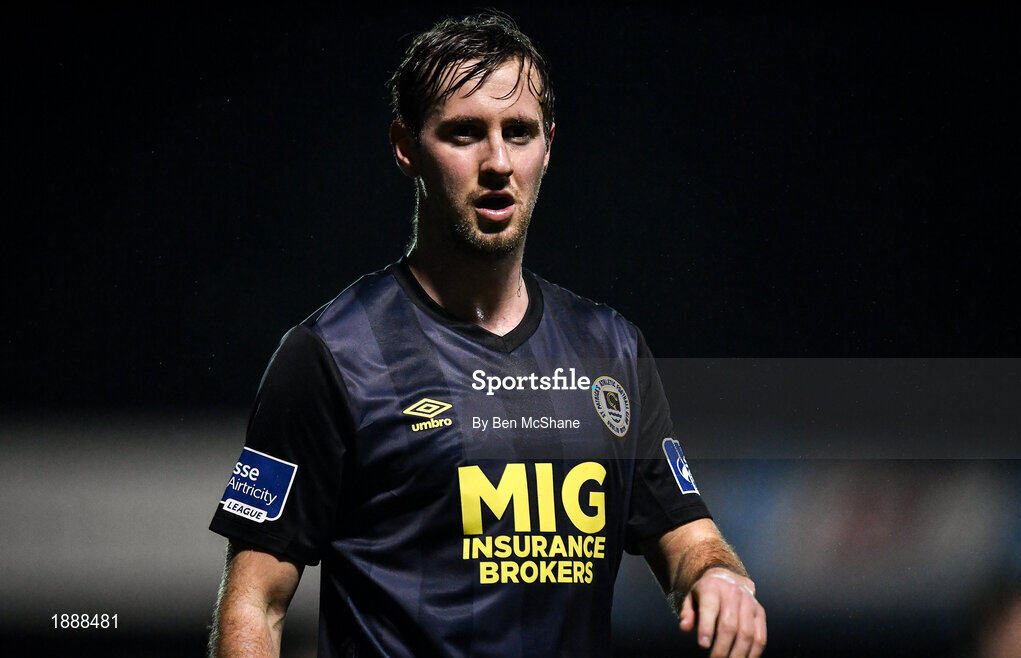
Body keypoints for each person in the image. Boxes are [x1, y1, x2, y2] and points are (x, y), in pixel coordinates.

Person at [208, 11, 765, 658]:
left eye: (519, 132)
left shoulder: (608, 348)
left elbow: (687, 537)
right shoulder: (330, 355)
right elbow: (256, 601)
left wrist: (718, 575)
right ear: (405, 146)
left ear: (548, 146)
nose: (497, 161)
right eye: (465, 133)